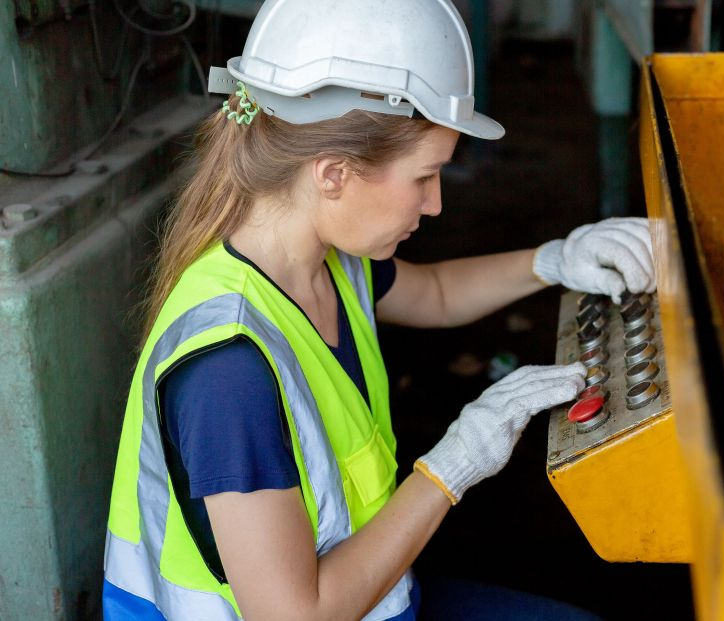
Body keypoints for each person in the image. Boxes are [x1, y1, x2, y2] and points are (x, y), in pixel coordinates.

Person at [102, 1, 656, 619]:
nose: (437, 203)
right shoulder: (228, 369)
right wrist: (454, 465)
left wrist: (554, 260)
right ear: (334, 173)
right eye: (426, 176)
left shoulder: (326, 262)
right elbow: (296, 615)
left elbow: (438, 295)